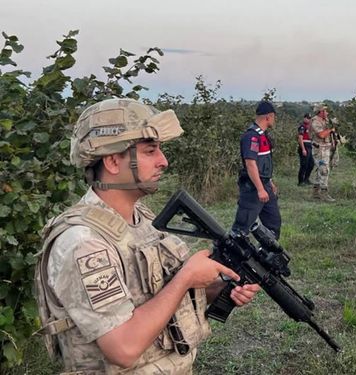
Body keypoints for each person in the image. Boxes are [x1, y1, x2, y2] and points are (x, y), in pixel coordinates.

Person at [35, 98, 260, 374]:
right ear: (114, 161)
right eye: (150, 151)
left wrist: (218, 287)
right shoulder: (82, 242)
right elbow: (123, 348)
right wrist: (186, 277)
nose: (163, 161)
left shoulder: (144, 220)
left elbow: (159, 300)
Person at [231, 100, 282, 239]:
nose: (274, 120)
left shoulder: (263, 135)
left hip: (265, 185)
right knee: (241, 229)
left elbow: (263, 163)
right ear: (268, 117)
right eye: (274, 117)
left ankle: (267, 257)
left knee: (273, 224)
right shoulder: (251, 136)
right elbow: (251, 164)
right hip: (252, 188)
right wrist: (260, 189)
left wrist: (269, 182)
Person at [310, 104, 337, 202]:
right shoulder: (315, 121)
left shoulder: (325, 120)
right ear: (320, 112)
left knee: (320, 170)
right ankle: (324, 193)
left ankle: (315, 192)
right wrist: (330, 129)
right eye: (325, 111)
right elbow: (321, 135)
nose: (327, 112)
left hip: (325, 148)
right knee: (324, 170)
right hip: (319, 149)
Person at [297, 113, 314, 185]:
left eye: (309, 118)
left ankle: (306, 179)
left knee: (311, 164)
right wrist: (303, 149)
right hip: (304, 146)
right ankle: (301, 181)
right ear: (304, 118)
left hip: (309, 146)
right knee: (304, 164)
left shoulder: (308, 127)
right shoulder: (302, 127)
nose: (308, 119)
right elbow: (300, 138)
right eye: (307, 118)